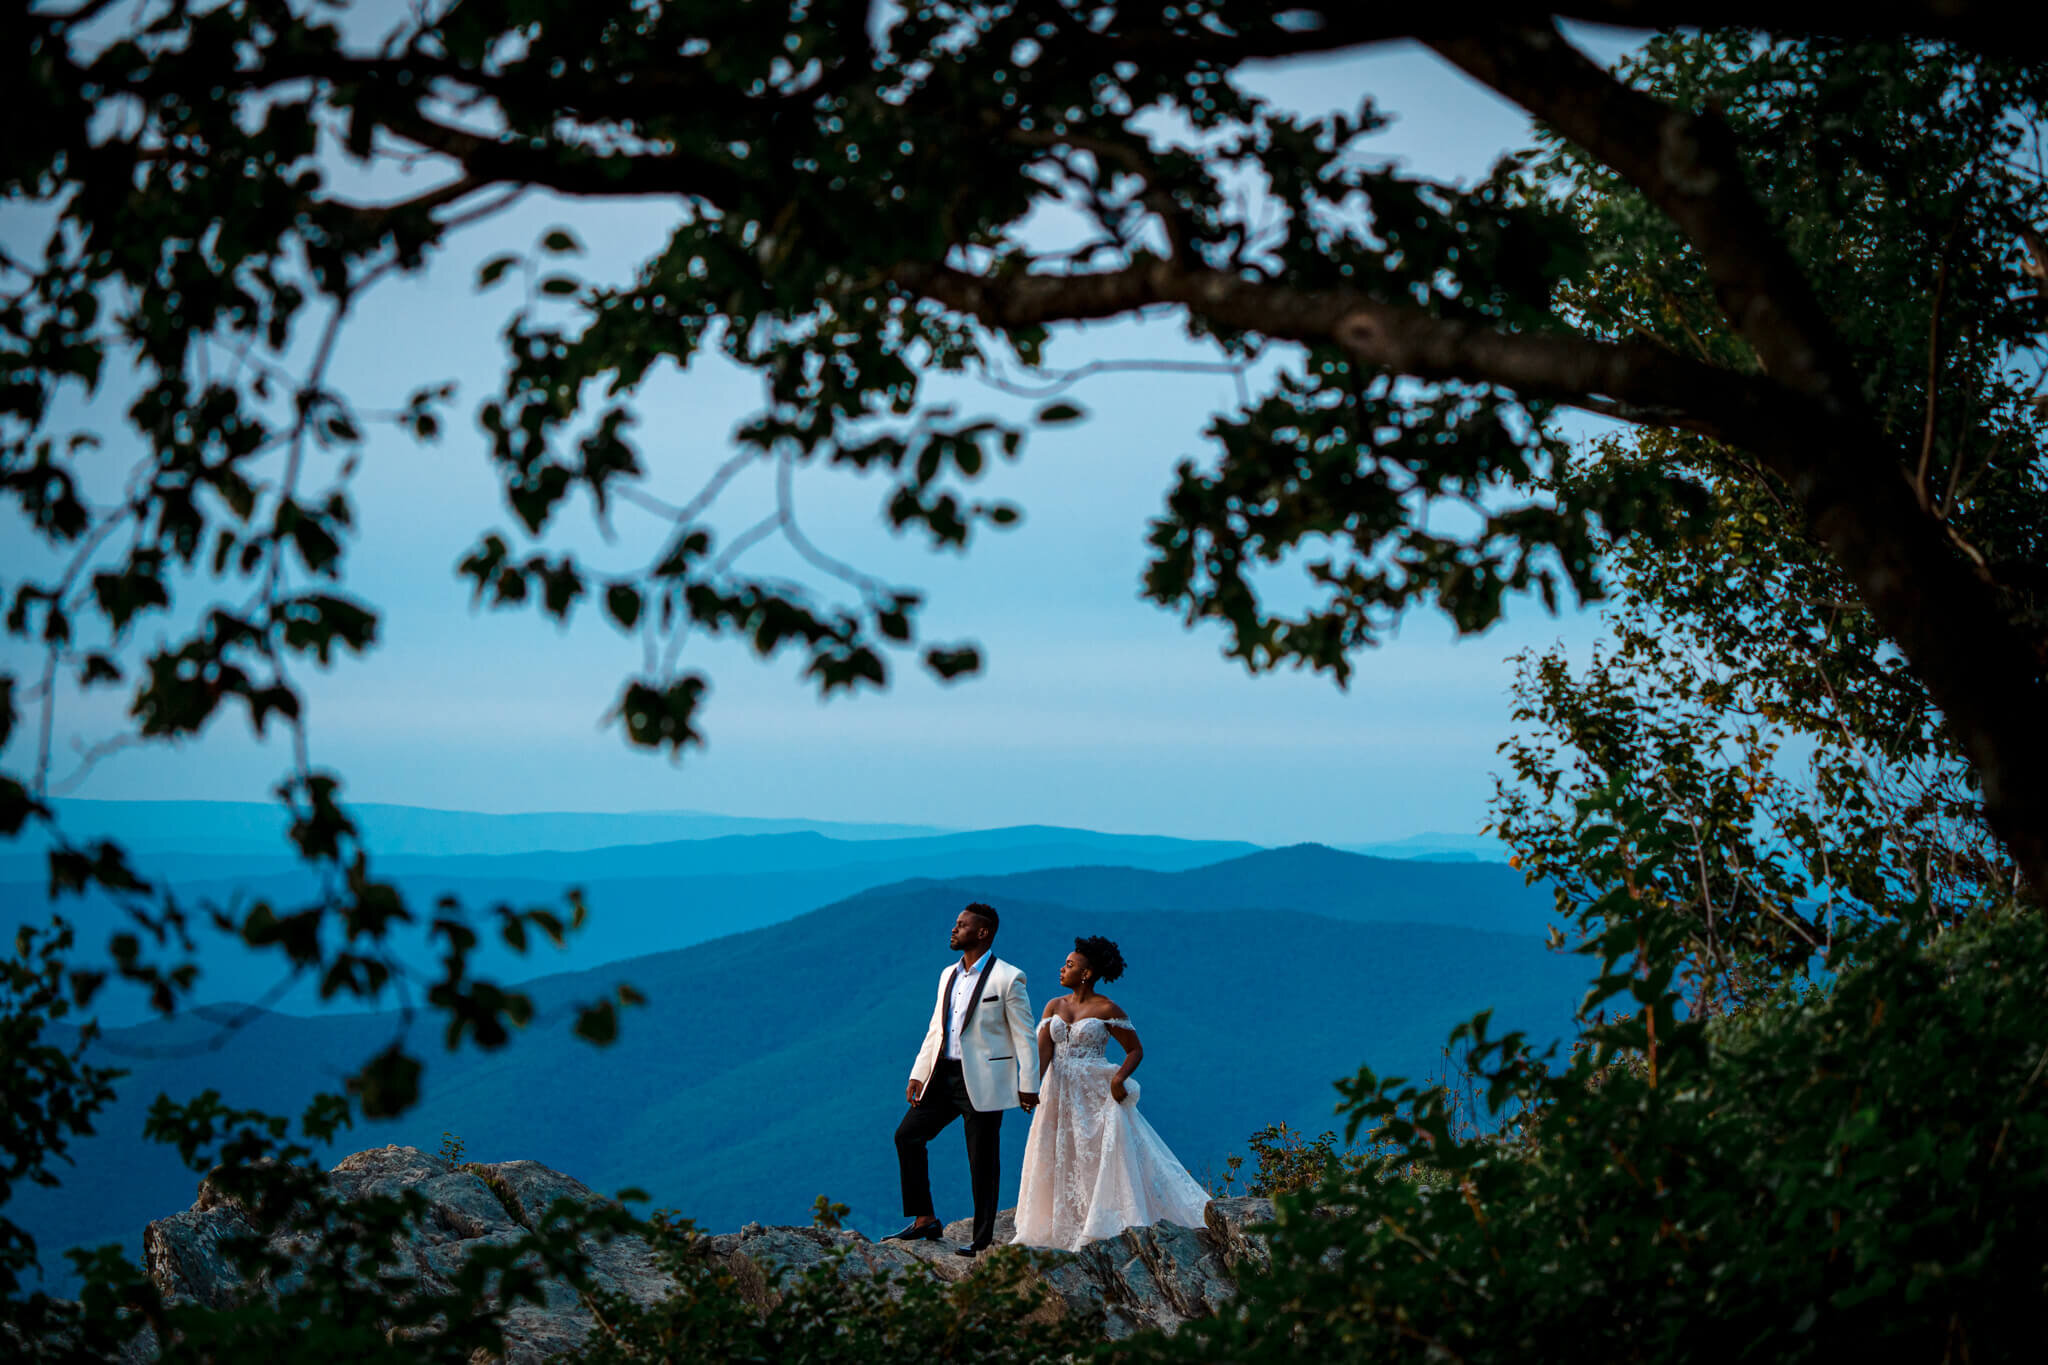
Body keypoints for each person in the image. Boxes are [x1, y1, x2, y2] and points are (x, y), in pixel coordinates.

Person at [1010, 934, 1211, 1251]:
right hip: (1058, 1092)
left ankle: (1097, 1220)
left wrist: (1119, 1080)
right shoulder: (1054, 1005)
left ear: (1086, 973)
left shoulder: (1107, 1009)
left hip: (1094, 1092)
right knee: (1059, 1149)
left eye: (1070, 965)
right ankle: (1061, 1221)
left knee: (1096, 1152)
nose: (1062, 969)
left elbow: (1135, 1050)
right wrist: (1029, 1087)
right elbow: (1042, 1053)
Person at [886, 901, 1039, 1256]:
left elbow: (1025, 1036)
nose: (954, 929)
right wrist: (918, 1073)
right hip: (942, 1077)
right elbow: (936, 1029)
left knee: (982, 1161)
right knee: (907, 1136)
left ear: (982, 933)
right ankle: (925, 1218)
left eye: (961, 924)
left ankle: (981, 1239)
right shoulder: (947, 975)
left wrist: (1028, 1085)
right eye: (956, 923)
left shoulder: (1008, 978)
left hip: (984, 1081)